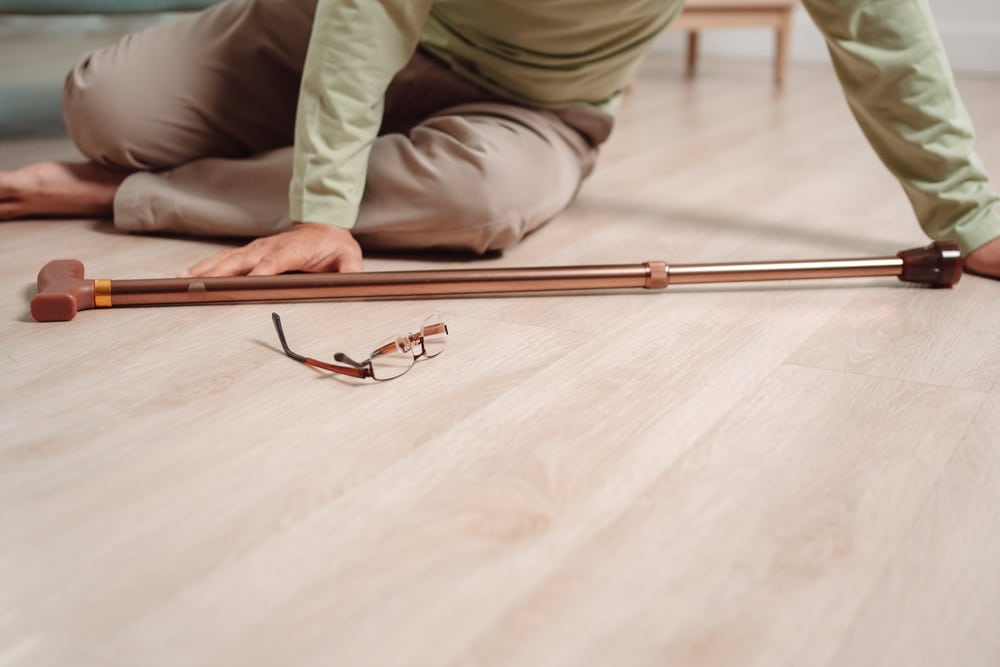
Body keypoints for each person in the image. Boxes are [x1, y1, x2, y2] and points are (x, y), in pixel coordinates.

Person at [2, 0, 999, 279]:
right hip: (348, 22)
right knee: (106, 106)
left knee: (473, 202)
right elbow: (369, 11)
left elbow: (883, 41)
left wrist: (968, 214)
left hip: (529, 107)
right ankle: (277, 166)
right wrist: (317, 203)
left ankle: (119, 196)